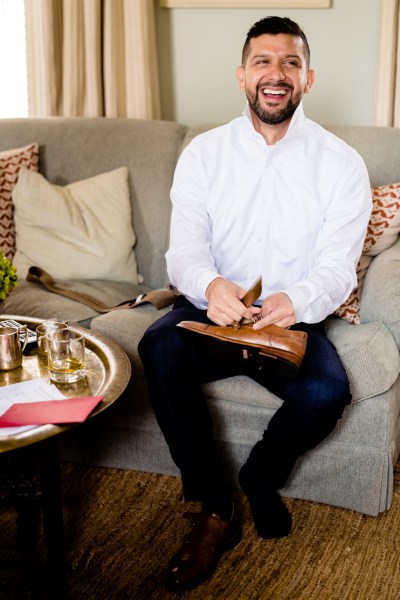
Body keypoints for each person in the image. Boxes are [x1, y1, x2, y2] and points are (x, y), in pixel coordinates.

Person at [138, 16, 372, 593]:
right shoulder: (203, 155)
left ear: (307, 78)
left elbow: (338, 268)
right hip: (216, 317)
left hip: (289, 323)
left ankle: (260, 476)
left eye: (290, 63)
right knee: (157, 346)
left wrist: (297, 300)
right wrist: (211, 287)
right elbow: (185, 250)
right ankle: (215, 507)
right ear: (242, 75)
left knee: (327, 391)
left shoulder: (342, 164)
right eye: (263, 62)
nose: (276, 74)